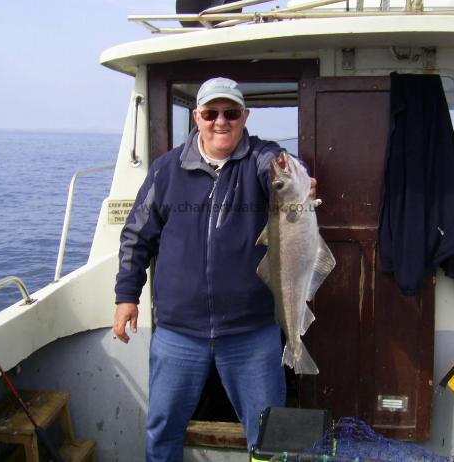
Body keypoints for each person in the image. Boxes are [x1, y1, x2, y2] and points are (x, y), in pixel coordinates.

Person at [113, 77, 313, 461]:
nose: (221, 121)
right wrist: (126, 296)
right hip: (178, 333)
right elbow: (136, 235)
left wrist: (291, 176)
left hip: (251, 332)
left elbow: (277, 163)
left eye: (231, 113)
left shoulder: (260, 159)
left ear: (244, 117)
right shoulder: (167, 170)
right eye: (211, 113)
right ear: (197, 118)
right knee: (163, 427)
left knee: (270, 432)